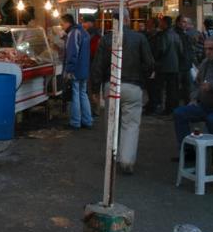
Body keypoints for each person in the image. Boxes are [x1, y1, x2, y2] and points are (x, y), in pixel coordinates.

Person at [91, 11, 154, 174]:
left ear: (114, 22)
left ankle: (112, 158)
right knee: (131, 124)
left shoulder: (106, 40)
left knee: (111, 124)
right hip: (133, 86)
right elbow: (149, 64)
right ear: (127, 19)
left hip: (111, 85)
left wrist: (94, 90)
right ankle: (126, 160)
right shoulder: (140, 38)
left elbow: (97, 66)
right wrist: (144, 82)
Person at [60, 14, 93, 130]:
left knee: (75, 95)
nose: (62, 26)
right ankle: (87, 120)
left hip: (76, 70)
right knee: (83, 94)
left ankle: (75, 122)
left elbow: (72, 53)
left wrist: (69, 70)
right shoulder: (84, 32)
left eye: (62, 24)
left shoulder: (74, 33)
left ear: (68, 22)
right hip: (84, 69)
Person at [153, 16, 184, 115]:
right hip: (174, 66)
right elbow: (181, 51)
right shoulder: (176, 35)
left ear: (165, 23)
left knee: (160, 89)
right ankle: (172, 108)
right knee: (172, 89)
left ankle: (164, 108)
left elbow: (161, 49)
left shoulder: (164, 35)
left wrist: (155, 59)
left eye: (161, 22)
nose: (160, 24)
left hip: (164, 66)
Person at [174, 15, 195, 105]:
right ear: (178, 23)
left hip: (186, 65)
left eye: (186, 22)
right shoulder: (176, 34)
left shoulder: (185, 34)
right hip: (179, 65)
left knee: (188, 87)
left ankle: (186, 105)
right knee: (178, 87)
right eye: (183, 22)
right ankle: (176, 106)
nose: (185, 24)